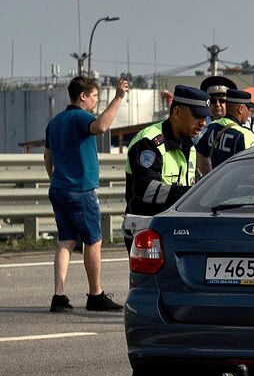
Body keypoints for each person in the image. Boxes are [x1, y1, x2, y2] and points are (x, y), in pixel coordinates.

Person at [43, 75, 129, 312]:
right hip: (81, 190)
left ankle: (59, 296)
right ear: (82, 96)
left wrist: (56, 179)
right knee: (93, 241)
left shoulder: (55, 122)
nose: (95, 101)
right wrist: (118, 98)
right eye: (94, 96)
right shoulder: (81, 118)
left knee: (66, 241)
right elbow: (101, 126)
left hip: (59, 189)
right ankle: (95, 294)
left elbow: (47, 157)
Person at [125, 85, 210, 226]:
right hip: (146, 229)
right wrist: (190, 194)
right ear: (177, 112)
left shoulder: (189, 145)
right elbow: (145, 189)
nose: (203, 123)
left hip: (175, 227)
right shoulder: (149, 141)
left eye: (205, 117)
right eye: (197, 116)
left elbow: (191, 183)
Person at [208, 89, 254, 169]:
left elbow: (201, 156)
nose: (250, 112)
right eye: (248, 108)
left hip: (216, 180)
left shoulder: (212, 126)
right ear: (241, 109)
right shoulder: (245, 135)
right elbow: (251, 167)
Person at [194, 75, 236, 178]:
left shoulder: (244, 126)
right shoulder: (196, 126)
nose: (217, 104)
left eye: (222, 101)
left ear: (229, 103)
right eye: (213, 101)